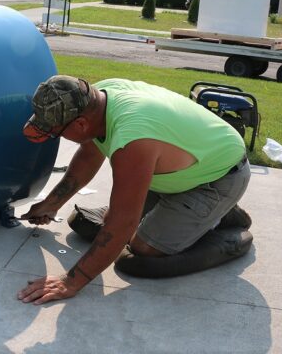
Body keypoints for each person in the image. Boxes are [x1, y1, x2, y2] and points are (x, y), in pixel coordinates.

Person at [17, 76, 253, 304]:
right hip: (180, 172)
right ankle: (210, 214)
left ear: (80, 124)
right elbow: (89, 155)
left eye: (57, 132)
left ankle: (225, 228)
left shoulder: (133, 140)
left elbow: (123, 223)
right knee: (90, 225)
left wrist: (71, 281)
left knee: (139, 252)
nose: (56, 137)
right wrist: (52, 203)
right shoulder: (96, 97)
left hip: (217, 179)